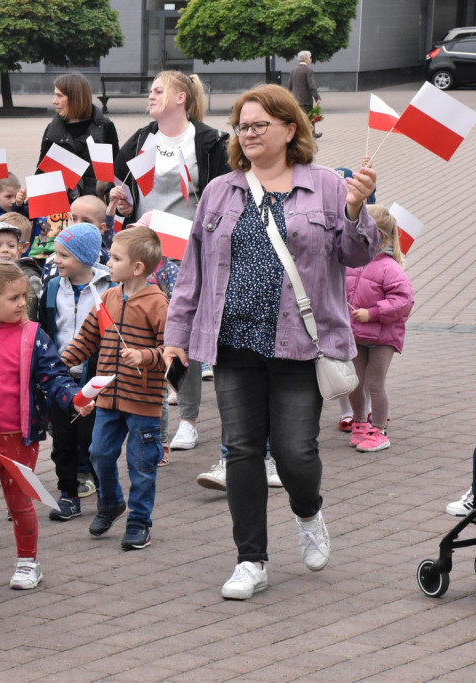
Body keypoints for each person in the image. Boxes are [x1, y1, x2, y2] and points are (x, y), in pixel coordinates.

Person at [164, 84, 378, 600]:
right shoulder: (221, 191)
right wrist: (177, 335)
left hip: (301, 344)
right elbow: (192, 272)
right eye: (243, 125)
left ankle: (308, 513)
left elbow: (360, 254)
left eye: (261, 124)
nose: (250, 133)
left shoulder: (327, 185)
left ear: (289, 128)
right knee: (240, 450)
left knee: (294, 452)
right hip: (234, 342)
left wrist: (355, 210)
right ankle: (250, 560)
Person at [0, 259, 91, 587]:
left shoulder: (33, 334)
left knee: (20, 502)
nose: (23, 303)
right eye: (14, 298)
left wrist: (76, 398)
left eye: (24, 296)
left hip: (18, 438)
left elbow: (54, 375)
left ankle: (28, 562)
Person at [111, 71, 232, 457]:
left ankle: (190, 420)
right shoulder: (142, 140)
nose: (151, 96)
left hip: (188, 250)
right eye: (150, 91)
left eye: (159, 90)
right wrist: (126, 203)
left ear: (181, 97)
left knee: (184, 335)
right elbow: (131, 191)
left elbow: (221, 193)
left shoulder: (208, 141)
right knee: (146, 333)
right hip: (146, 249)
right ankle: (154, 421)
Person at [61, 227, 169, 549]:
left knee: (142, 464)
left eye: (115, 258)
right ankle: (111, 502)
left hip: (143, 401)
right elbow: (87, 338)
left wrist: (145, 356)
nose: (108, 261)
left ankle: (139, 521)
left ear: (137, 267)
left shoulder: (158, 303)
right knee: (100, 454)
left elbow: (173, 354)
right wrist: (60, 363)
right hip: (108, 397)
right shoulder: (108, 297)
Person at [38, 223, 112, 520]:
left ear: (84, 258)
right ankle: (68, 494)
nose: (56, 260)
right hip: (60, 377)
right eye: (57, 253)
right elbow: (45, 328)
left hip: (94, 378)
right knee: (63, 441)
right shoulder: (53, 287)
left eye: (64, 255)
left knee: (91, 441)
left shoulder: (109, 289)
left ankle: (107, 493)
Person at [345, 205, 414, 452]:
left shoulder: (390, 267)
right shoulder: (352, 261)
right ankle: (360, 423)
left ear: (380, 237)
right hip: (357, 333)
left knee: (375, 383)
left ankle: (379, 429)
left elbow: (403, 301)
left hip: (384, 336)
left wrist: (372, 313)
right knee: (355, 381)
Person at [39, 73, 120, 197]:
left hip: (94, 204)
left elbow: (116, 170)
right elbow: (41, 173)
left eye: (59, 96)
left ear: (75, 98)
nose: (54, 101)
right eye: (55, 95)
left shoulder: (105, 126)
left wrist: (105, 192)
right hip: (61, 207)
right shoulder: (52, 129)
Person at [289, 51, 322, 138]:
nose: (310, 60)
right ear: (306, 59)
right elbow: (312, 86)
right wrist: (317, 97)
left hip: (295, 100)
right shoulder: (308, 71)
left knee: (298, 118)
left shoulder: (293, 71)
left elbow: (290, 86)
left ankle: (302, 135)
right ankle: (311, 135)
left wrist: (289, 98)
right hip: (306, 99)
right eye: (310, 58)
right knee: (309, 117)